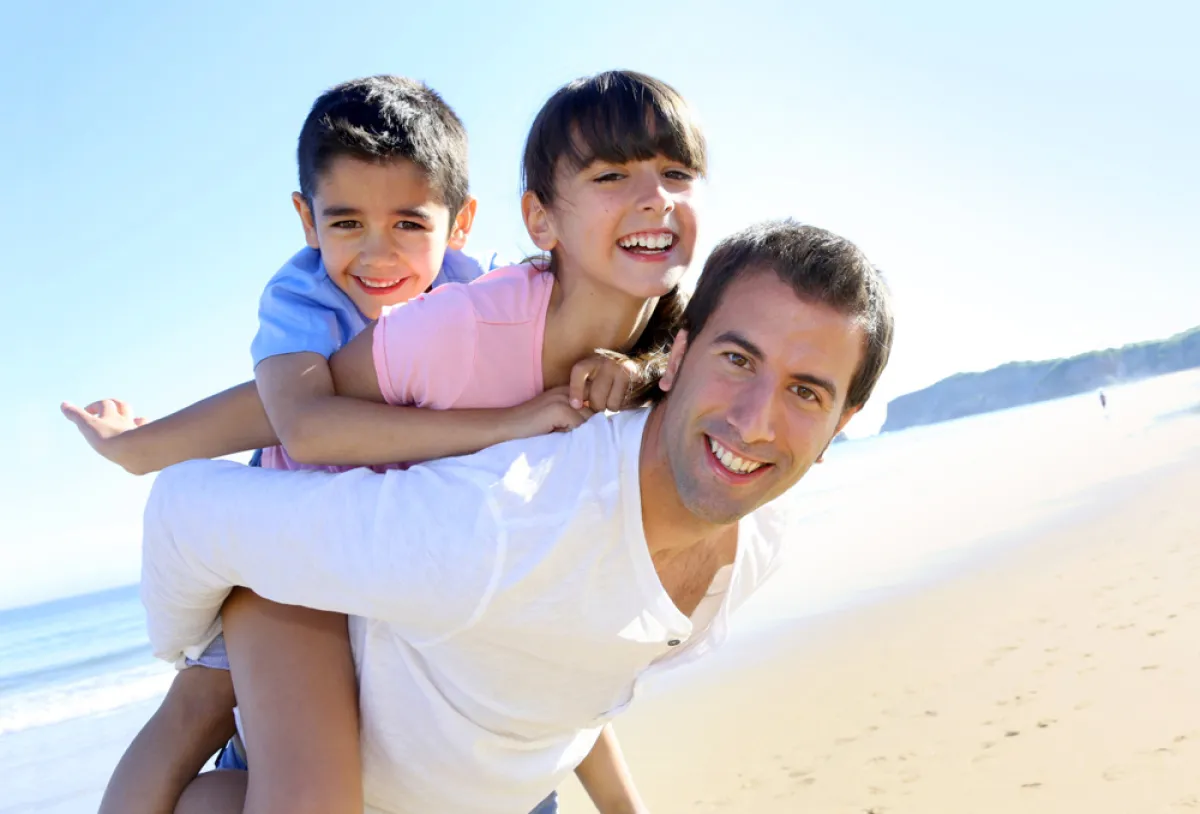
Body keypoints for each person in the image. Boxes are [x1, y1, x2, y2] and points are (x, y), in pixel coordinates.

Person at [69, 70, 707, 814]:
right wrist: (136, 448)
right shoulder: (303, 300)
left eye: (408, 224)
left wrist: (632, 369)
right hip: (287, 539)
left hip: (392, 545)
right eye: (346, 223)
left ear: (459, 224)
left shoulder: (474, 293)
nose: (378, 255)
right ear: (307, 220)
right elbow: (301, 428)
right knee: (200, 709)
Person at [140, 219, 896, 814]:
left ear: (842, 423)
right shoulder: (499, 521)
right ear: (678, 355)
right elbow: (188, 509)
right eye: (737, 360)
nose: (756, 422)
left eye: (806, 392)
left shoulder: (758, 536)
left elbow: (574, 655)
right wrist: (199, 660)